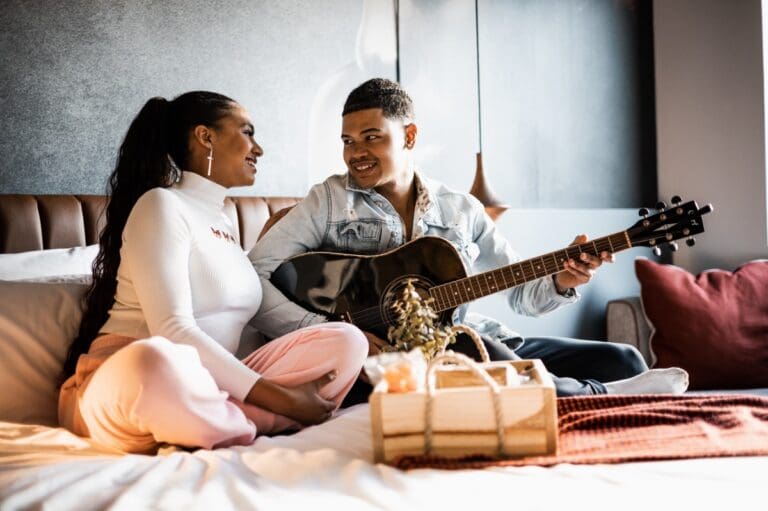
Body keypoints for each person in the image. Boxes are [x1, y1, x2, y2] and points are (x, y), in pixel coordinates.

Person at [249, 78, 688, 403]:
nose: (354, 152)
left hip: (473, 338)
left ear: (410, 136)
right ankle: (598, 398)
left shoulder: (461, 209)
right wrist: (331, 332)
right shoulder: (327, 201)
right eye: (347, 140)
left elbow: (524, 295)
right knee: (466, 345)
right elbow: (257, 276)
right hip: (400, 362)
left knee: (625, 360)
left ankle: (593, 391)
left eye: (371, 137)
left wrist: (563, 280)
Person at [59, 91, 368, 454]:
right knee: (154, 361)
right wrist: (281, 399)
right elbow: (172, 330)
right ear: (206, 136)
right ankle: (252, 421)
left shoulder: (222, 221)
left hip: (208, 389)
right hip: (127, 381)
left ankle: (211, 423)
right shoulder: (161, 205)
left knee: (348, 341)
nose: (259, 149)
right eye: (247, 132)